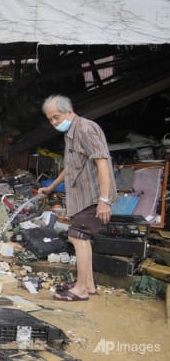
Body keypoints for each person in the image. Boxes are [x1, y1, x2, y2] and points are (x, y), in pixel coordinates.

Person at [38, 94, 117, 301]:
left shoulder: (85, 129)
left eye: (56, 117)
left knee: (78, 236)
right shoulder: (71, 133)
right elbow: (71, 167)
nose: (54, 122)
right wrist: (51, 187)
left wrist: (104, 200)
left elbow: (102, 162)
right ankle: (87, 284)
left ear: (69, 111)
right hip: (81, 196)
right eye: (50, 119)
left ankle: (81, 290)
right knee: (82, 238)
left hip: (92, 195)